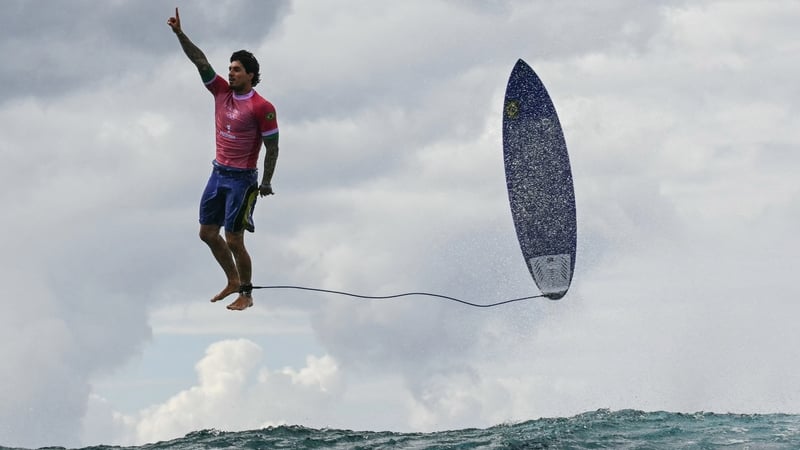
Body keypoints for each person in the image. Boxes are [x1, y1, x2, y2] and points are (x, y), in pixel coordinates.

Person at [167, 7, 279, 311]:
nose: (230, 73)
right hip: (218, 173)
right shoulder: (220, 92)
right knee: (207, 233)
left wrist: (266, 181)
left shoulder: (262, 107)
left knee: (234, 239)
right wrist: (180, 34)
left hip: (242, 180)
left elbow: (273, 147)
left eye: (237, 69)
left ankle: (246, 293)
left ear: (250, 75)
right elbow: (200, 61)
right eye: (229, 68)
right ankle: (232, 280)